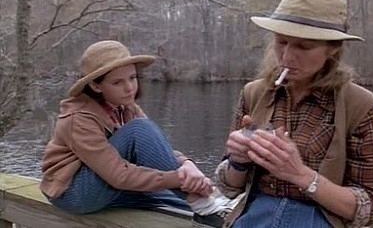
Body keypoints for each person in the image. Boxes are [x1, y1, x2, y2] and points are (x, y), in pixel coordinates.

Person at [212, 0, 373, 228]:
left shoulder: (359, 105)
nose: (287, 56)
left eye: (304, 46)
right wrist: (238, 160)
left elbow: (371, 208)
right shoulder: (255, 94)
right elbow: (228, 187)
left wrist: (299, 174)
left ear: (332, 49)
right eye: (282, 42)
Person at [40, 40, 233, 219]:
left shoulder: (125, 106)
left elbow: (156, 152)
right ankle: (204, 200)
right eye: (117, 82)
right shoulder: (78, 118)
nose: (129, 88)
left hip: (107, 185)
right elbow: (118, 175)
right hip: (74, 192)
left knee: (171, 199)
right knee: (140, 130)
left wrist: (187, 164)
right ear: (95, 85)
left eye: (132, 78)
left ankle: (222, 210)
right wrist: (180, 179)